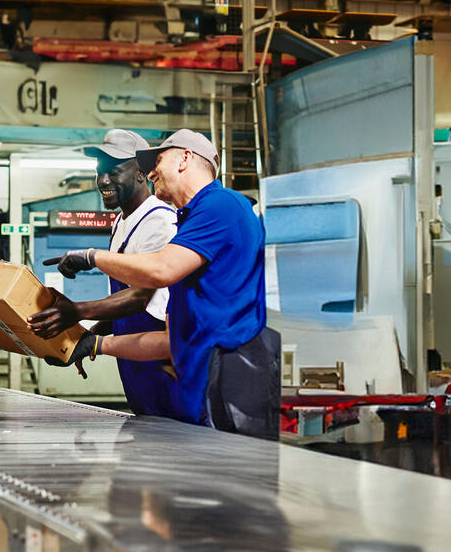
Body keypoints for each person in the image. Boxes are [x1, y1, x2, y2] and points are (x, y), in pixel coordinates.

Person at [44, 129, 279, 440]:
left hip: (231, 382)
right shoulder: (189, 221)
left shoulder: (222, 205)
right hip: (203, 384)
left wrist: (90, 257)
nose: (151, 172)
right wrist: (96, 343)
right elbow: (171, 339)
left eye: (158, 161)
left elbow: (160, 270)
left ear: (185, 158)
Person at [27, 129, 178, 416]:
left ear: (140, 173)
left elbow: (140, 297)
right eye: (100, 172)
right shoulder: (121, 221)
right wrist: (86, 340)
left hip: (157, 357)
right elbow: (122, 305)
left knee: (172, 445)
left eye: (113, 171)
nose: (103, 181)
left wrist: (77, 311)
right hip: (131, 358)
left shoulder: (159, 220)